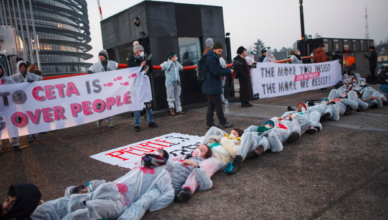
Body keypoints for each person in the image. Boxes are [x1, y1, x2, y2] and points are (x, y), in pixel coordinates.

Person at [32, 150, 174, 220]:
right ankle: (33, 215)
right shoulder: (141, 164)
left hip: (120, 202)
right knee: (65, 202)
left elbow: (168, 194)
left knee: (85, 209)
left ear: (164, 160)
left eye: (159, 153)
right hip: (108, 189)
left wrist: (152, 206)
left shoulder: (162, 174)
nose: (154, 154)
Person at [127, 41, 158, 132]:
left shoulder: (145, 58)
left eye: (142, 50)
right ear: (136, 51)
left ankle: (151, 121)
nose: (142, 52)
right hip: (136, 84)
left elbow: (151, 69)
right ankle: (137, 124)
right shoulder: (131, 60)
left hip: (145, 83)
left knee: (148, 102)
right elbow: (131, 71)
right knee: (137, 104)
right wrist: (140, 66)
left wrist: (146, 68)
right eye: (141, 50)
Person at [202, 42, 234, 129]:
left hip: (210, 85)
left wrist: (228, 70)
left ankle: (209, 123)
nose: (220, 53)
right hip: (212, 85)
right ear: (214, 49)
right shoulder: (211, 59)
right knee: (218, 104)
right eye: (219, 51)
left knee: (211, 104)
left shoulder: (213, 57)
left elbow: (219, 69)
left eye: (221, 51)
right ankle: (222, 122)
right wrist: (228, 71)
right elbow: (215, 71)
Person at [11, 61, 42, 143]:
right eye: (21, 67)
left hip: (31, 99)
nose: (23, 68)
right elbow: (7, 81)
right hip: (21, 101)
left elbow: (40, 78)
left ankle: (35, 134)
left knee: (33, 116)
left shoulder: (30, 75)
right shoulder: (15, 77)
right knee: (25, 117)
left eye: (24, 66)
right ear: (19, 68)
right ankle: (28, 135)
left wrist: (33, 82)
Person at [88, 50, 119, 128]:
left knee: (108, 104)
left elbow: (118, 66)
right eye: (99, 55)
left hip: (109, 88)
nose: (100, 57)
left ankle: (110, 121)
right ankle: (100, 118)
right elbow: (89, 71)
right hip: (99, 88)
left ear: (105, 56)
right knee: (99, 104)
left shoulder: (112, 63)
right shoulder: (96, 65)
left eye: (102, 55)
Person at [0, 64, 21, 152]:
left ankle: (15, 143)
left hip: (9, 107)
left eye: (0, 68)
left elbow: (16, 90)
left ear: (2, 69)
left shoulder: (9, 80)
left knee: (12, 126)